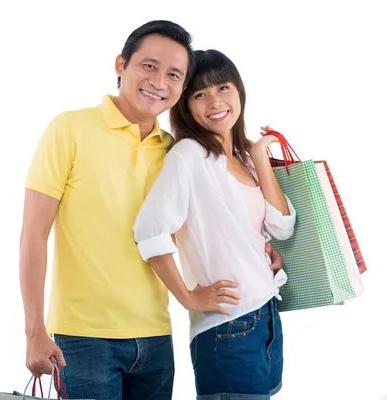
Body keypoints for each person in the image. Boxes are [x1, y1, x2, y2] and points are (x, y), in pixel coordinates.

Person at [19, 21, 282, 399]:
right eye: (149, 66)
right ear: (120, 65)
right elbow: (32, 235)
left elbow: (212, 229)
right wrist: (34, 330)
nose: (160, 81)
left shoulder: (174, 150)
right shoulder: (70, 129)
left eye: (174, 74)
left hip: (156, 337)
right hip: (83, 337)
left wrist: (262, 254)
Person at [133, 49, 296, 400]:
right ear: (186, 106)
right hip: (227, 328)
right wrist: (189, 297)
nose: (214, 101)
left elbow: (282, 226)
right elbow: (149, 230)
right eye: (200, 94)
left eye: (223, 88)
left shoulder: (242, 159)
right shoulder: (189, 154)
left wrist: (259, 159)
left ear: (239, 91)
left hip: (266, 315)